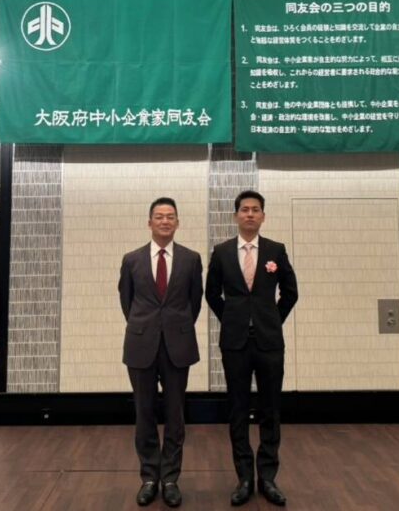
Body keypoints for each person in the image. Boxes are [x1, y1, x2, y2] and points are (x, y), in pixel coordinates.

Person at [206, 190, 298, 507]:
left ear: (263, 216)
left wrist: (271, 319)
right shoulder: (222, 252)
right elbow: (211, 294)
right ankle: (244, 477)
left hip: (269, 342)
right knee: (238, 410)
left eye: (255, 209)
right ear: (236, 216)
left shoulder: (276, 250)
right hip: (235, 343)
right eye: (244, 209)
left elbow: (291, 292)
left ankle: (268, 477)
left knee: (271, 409)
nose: (249, 214)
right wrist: (233, 319)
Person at [119, 197, 203, 508]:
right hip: (141, 344)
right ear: (149, 222)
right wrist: (147, 327)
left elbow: (195, 302)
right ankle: (149, 478)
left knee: (175, 415)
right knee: (144, 413)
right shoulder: (132, 259)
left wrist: (174, 327)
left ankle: (170, 479)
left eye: (170, 216)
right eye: (159, 216)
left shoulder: (191, 259)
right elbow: (127, 302)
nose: (165, 221)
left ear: (177, 222)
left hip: (177, 346)